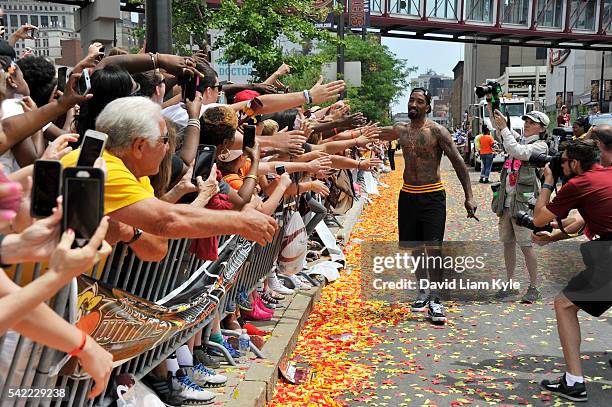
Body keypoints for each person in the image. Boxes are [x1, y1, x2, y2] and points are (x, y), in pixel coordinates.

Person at [379, 87, 477, 323]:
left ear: (427, 107)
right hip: (408, 196)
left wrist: (469, 195)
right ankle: (423, 291)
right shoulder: (400, 130)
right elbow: (373, 134)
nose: (413, 104)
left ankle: (436, 299)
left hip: (432, 196)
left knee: (433, 248)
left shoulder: (437, 131)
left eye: (419, 101)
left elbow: (458, 162)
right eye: (411, 99)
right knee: (414, 248)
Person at [532, 139, 612, 402]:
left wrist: (547, 181)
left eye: (563, 161)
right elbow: (581, 219)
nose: (560, 164)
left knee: (564, 305)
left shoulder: (579, 183)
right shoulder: (607, 175)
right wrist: (553, 238)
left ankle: (574, 382)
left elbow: (539, 218)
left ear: (575, 163)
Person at [491, 109, 549, 303]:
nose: (527, 124)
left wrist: (505, 129)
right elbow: (503, 134)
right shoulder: (521, 140)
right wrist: (495, 111)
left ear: (541, 128)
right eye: (526, 121)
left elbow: (517, 151)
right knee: (508, 244)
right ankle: (510, 284)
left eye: (532, 123)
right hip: (507, 201)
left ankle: (534, 287)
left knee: (526, 246)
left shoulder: (540, 146)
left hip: (524, 204)